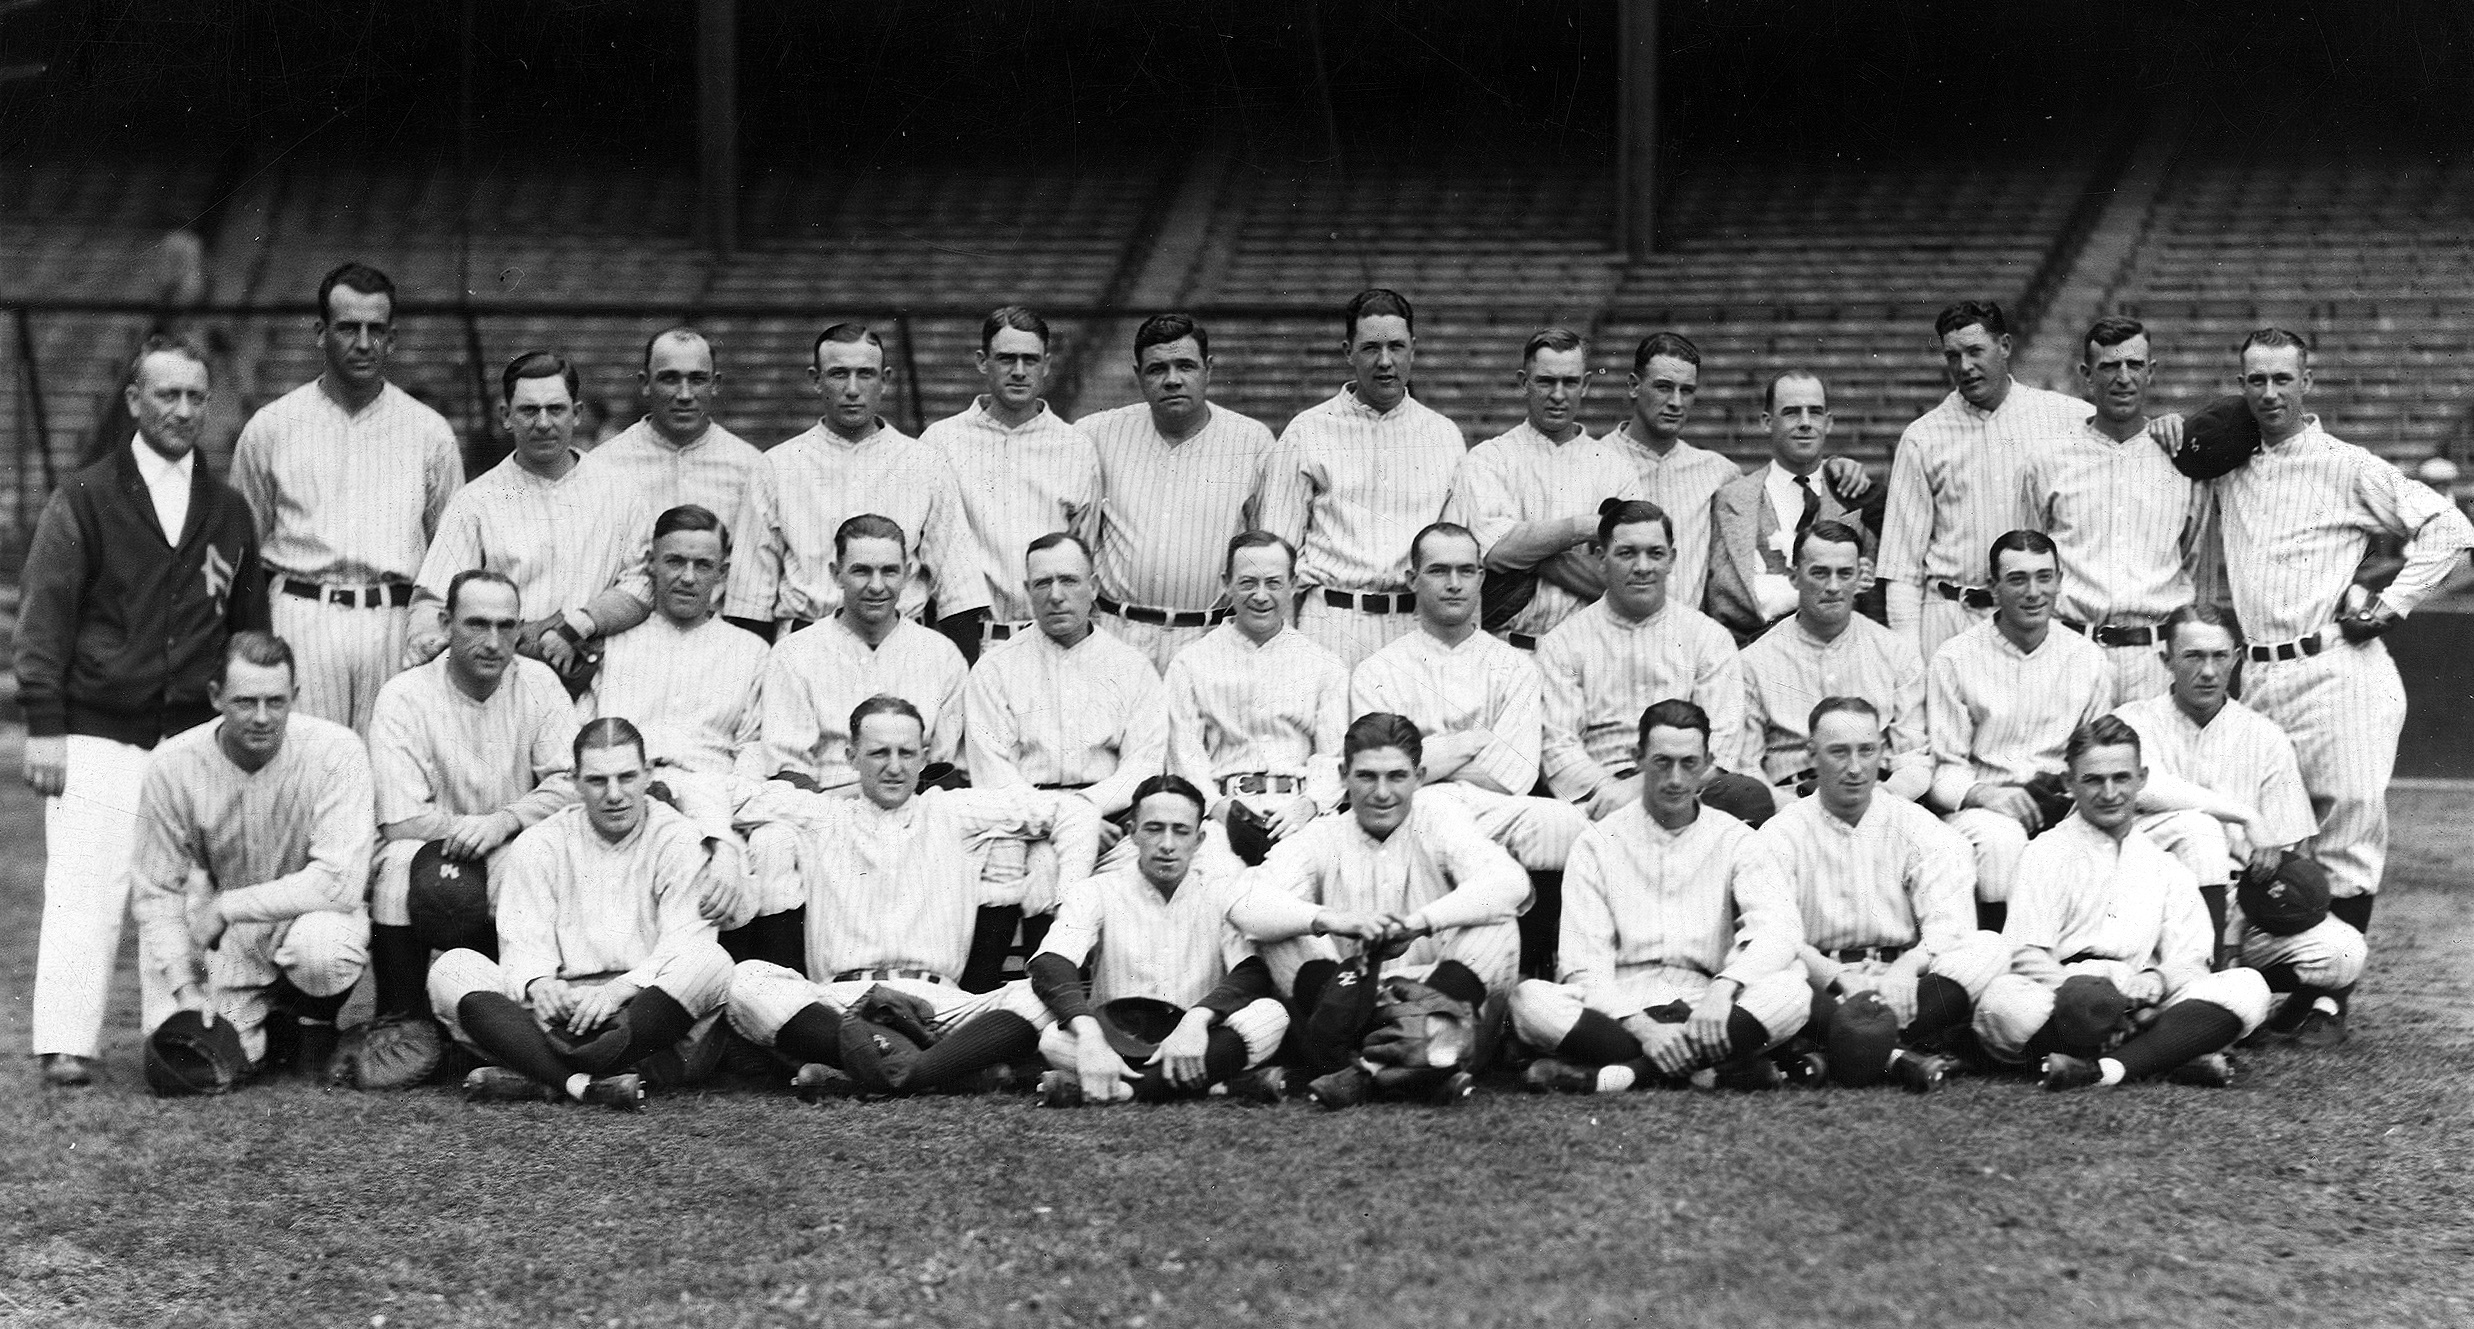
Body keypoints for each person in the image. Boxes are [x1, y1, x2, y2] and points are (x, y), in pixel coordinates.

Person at [2201, 327, 2474, 1042]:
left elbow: (2448, 527)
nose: (2268, 394)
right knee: (2266, 834)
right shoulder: (2233, 467)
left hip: (2336, 666)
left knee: (2348, 826)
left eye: (2282, 379)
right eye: (2254, 380)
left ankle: (2331, 1000)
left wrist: (2389, 606)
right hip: (2259, 666)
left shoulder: (2347, 465)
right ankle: (2282, 979)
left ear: (2308, 380)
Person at [18, 335, 270, 1087]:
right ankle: (67, 1039)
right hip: (100, 725)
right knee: (85, 884)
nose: (184, 410)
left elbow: (250, 630)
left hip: (194, 732)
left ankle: (178, 1028)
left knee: (188, 891)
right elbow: (44, 618)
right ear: (134, 400)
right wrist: (44, 722)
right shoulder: (87, 495)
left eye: (196, 396)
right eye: (168, 394)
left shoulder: (226, 509)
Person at [723, 696, 1102, 1097]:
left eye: (906, 753)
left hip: (941, 1006)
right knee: (746, 982)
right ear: (851, 756)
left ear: (924, 757)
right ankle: (951, 1071)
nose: (894, 766)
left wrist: (1067, 904)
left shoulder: (956, 812)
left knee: (1038, 996)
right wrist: (723, 852)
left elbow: (1075, 811)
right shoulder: (823, 815)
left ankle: (872, 1074)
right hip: (843, 1004)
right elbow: (713, 792)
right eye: (878, 753)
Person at [429, 718, 738, 1110]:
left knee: (712, 963)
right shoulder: (542, 841)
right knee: (451, 969)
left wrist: (614, 994)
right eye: (597, 781)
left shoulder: (676, 837)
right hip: (562, 1013)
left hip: (645, 1010)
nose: (614, 794)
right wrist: (541, 987)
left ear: (648, 775)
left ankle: (543, 1074)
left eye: (627, 777)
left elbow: (683, 947)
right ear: (575, 781)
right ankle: (584, 1083)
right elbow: (522, 944)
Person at [1511, 700, 1810, 1094]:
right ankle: (1710, 1071)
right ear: (1637, 760)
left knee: (1792, 992)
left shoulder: (1736, 838)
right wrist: (1642, 1027)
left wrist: (1723, 991)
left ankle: (1620, 1075)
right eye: (1661, 762)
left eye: (1689, 763)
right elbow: (1583, 963)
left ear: (1708, 763)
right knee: (1529, 1001)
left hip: (1708, 1005)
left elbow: (1778, 930)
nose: (1675, 778)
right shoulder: (1597, 843)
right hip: (1622, 1007)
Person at [1026, 775, 1376, 1107]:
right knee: (1053, 1039)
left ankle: (1123, 1090)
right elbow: (1051, 961)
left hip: (1202, 1041)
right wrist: (1088, 1035)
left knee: (1269, 1017)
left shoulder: (1221, 888)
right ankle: (1224, 1085)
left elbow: (1250, 972)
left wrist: (1196, 1021)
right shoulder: (1096, 890)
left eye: (1181, 831)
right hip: (1117, 1041)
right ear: (1132, 833)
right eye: (1154, 829)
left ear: (1199, 839)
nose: (1167, 844)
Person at [357, 571, 579, 1085]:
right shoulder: (405, 695)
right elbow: (401, 820)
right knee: (393, 867)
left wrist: (503, 822)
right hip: (431, 849)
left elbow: (571, 784)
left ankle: (514, 1021)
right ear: (445, 623)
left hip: (512, 845)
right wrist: (472, 828)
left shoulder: (539, 682)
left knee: (537, 859)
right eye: (477, 624)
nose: (493, 641)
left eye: (506, 626)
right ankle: (404, 1021)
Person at [1242, 713, 1530, 1109]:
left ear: (1420, 776)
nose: (1382, 792)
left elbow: (1511, 883)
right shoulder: (1322, 834)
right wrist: (1332, 920)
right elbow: (1245, 903)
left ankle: (1365, 1073)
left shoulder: (1441, 819)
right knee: (1279, 932)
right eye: (1366, 777)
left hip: (1440, 1004)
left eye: (1397, 776)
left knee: (1497, 920)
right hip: (1350, 1003)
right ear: (1343, 775)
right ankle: (1418, 1072)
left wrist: (1417, 925)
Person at [1971, 718, 2273, 1091]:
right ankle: (2163, 1056)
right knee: (2004, 1005)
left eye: (2121, 777)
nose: (2110, 792)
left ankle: (2103, 1069)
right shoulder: (2045, 852)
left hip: (2140, 996)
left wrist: (2158, 979)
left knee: (2247, 986)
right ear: (2069, 783)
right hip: (2065, 992)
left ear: (2142, 778)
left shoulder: (2163, 864)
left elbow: (2191, 957)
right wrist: (2091, 1001)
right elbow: (2028, 955)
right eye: (2094, 780)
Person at [124, 632, 371, 1084]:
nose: (262, 718)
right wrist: (185, 988)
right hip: (230, 938)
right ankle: (273, 1028)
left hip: (311, 917)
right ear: (216, 696)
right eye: (245, 702)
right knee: (194, 1057)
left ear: (295, 696)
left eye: (276, 702)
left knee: (322, 951)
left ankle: (313, 1021)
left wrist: (227, 906)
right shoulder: (172, 763)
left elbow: (340, 883)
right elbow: (158, 891)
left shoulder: (338, 750)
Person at [230, 261, 463, 733]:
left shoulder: (429, 432)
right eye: (347, 328)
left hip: (396, 621)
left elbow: (451, 552)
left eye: (376, 330)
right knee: (305, 773)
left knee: (391, 778)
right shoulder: (271, 427)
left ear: (392, 338)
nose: (363, 343)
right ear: (321, 333)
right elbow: (241, 549)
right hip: (301, 613)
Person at [2117, 609, 2368, 1046]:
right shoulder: (2132, 723)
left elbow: (2290, 853)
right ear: (2165, 659)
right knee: (2200, 831)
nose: (2208, 671)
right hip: (2151, 909)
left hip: (2238, 909)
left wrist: (2235, 936)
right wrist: (2244, 816)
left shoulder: (2264, 735)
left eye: (2220, 656)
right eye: (2193, 656)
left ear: (2236, 658)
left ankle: (2233, 993)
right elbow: (2145, 788)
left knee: (2345, 951)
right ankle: (2204, 1004)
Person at [1351, 522, 1589, 974]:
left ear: (1482, 577)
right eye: (1439, 571)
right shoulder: (1378, 669)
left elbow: (1513, 774)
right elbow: (1384, 774)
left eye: (1466, 571)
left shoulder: (1514, 666)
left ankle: (1542, 968)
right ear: (1412, 579)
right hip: (1416, 811)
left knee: (1570, 827)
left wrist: (1426, 754)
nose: (1455, 584)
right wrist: (1472, 742)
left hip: (1494, 806)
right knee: (1434, 818)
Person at [1756, 698, 2006, 1092]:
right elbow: (1775, 934)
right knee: (1776, 974)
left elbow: (1950, 925)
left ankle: (1837, 1050)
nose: (1854, 768)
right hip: (1824, 986)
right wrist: (1838, 978)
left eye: (1866, 751)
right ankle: (1896, 1052)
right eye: (1838, 751)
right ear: (1812, 754)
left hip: (1904, 987)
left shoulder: (1917, 826)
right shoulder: (1780, 833)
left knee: (1987, 949)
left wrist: (1908, 968)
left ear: (1882, 753)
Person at [582, 504, 783, 967]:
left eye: (702, 565)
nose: (687, 578)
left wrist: (725, 826)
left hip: (717, 800)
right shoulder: (615, 645)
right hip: (626, 801)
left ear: (723, 572)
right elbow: (588, 735)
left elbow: (751, 749)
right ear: (651, 563)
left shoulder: (750, 652)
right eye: (674, 561)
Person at [408, 352, 653, 695]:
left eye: (555, 409)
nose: (543, 423)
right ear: (506, 417)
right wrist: (426, 637)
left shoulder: (619, 491)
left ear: (577, 414)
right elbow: (434, 598)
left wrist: (578, 626)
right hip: (506, 683)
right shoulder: (476, 500)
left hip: (602, 680)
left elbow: (642, 583)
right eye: (528, 410)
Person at [1078, 313, 1301, 672]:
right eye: (1157, 369)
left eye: (1185, 366)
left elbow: (1268, 550)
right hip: (1117, 634)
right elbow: (1078, 540)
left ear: (1208, 369)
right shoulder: (1097, 434)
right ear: (1138, 375)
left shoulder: (1251, 440)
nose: (1172, 380)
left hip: (1210, 637)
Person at [1537, 499, 1770, 826]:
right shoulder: (1563, 642)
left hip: (1689, 785)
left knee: (1746, 798)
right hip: (1602, 792)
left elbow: (1721, 742)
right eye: (1627, 553)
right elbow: (1558, 746)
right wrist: (1612, 792)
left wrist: (1643, 787)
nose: (1643, 566)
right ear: (1602, 560)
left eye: (1655, 553)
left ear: (1672, 559)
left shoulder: (1707, 637)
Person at [1877, 300, 2087, 661]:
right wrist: (1908, 662)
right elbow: (1902, 569)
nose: (1965, 367)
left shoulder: (2067, 418)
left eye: (1976, 351)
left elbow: (2127, 437)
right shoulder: (1922, 437)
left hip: (2032, 614)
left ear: (2004, 346)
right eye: (1953, 356)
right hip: (1948, 614)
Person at [1925, 530, 2109, 930]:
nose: (2033, 592)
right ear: (1993, 586)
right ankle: (1999, 958)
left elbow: (2094, 757)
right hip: (1984, 808)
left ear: (2060, 581)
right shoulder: (1955, 658)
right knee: (2001, 838)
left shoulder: (2087, 659)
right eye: (2017, 579)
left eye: (2045, 577)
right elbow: (1945, 768)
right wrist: (1985, 794)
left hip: (2060, 802)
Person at [2018, 317, 2205, 705]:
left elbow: (2191, 560)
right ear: (2087, 375)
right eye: (2109, 366)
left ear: (2150, 372)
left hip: (2154, 657)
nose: (2123, 378)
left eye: (2134, 365)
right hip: (2071, 649)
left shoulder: (2182, 460)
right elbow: (2027, 555)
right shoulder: (2048, 460)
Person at [766, 323, 985, 645]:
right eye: (839, 374)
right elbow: (750, 597)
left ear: (885, 380)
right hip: (808, 644)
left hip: (901, 645)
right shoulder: (777, 465)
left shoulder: (924, 463)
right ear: (816, 379)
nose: (852, 389)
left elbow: (958, 588)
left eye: (865, 374)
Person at [1279, 288, 1466, 667]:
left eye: (1396, 347)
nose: (1385, 361)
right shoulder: (1307, 430)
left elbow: (1454, 551)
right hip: (1331, 620)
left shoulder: (1443, 435)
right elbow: (1278, 553)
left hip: (1415, 621)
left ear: (1413, 348)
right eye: (1370, 348)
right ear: (1347, 351)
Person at [573, 328, 782, 634]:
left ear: (715, 384)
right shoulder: (604, 465)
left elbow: (754, 582)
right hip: (624, 636)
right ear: (646, 384)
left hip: (715, 640)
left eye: (697, 379)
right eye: (670, 378)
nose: (684, 395)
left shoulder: (750, 466)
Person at [1445, 327, 1641, 646]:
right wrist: (1585, 528)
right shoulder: (1489, 458)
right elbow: (1496, 553)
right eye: (1546, 381)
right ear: (1524, 381)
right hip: (1504, 648)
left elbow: (1627, 579)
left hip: (1586, 654)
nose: (1558, 395)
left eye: (1570, 382)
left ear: (1586, 384)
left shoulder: (1615, 467)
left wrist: (1529, 546)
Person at [1164, 532, 1348, 866]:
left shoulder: (1324, 664)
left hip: (1302, 812)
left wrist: (1308, 806)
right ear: (1227, 584)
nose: (1260, 596)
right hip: (1221, 815)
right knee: (1211, 881)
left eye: (1274, 583)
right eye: (1248, 582)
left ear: (1293, 584)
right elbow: (1185, 757)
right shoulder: (1190, 663)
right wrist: (1221, 812)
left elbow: (1333, 755)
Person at [924, 306, 1101, 651]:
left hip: (1051, 638)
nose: (1019, 371)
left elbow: (1084, 550)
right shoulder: (941, 441)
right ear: (982, 361)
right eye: (1006, 359)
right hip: (970, 641)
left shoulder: (1075, 447)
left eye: (1030, 360)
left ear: (1046, 364)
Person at [756, 515, 969, 797]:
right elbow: (789, 769)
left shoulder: (942, 655)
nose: (877, 586)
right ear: (836, 574)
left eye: (889, 571)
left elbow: (943, 767)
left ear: (906, 573)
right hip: (824, 809)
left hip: (912, 810)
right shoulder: (794, 653)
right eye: (861, 571)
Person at [1729, 520, 1930, 806]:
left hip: (1878, 801)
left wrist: (1877, 804)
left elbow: (1913, 760)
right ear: (1794, 576)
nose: (1833, 587)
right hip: (1790, 803)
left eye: (1845, 574)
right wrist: (1796, 814)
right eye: (1820, 574)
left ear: (1859, 576)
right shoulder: (1753, 662)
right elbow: (1745, 766)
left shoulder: (1896, 652)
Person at [1705, 372, 1877, 644]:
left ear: (1829, 422)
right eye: (1792, 413)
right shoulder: (1731, 499)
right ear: (1766, 422)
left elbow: (1871, 598)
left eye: (1816, 412)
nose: (1806, 423)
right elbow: (1727, 595)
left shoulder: (1855, 499)